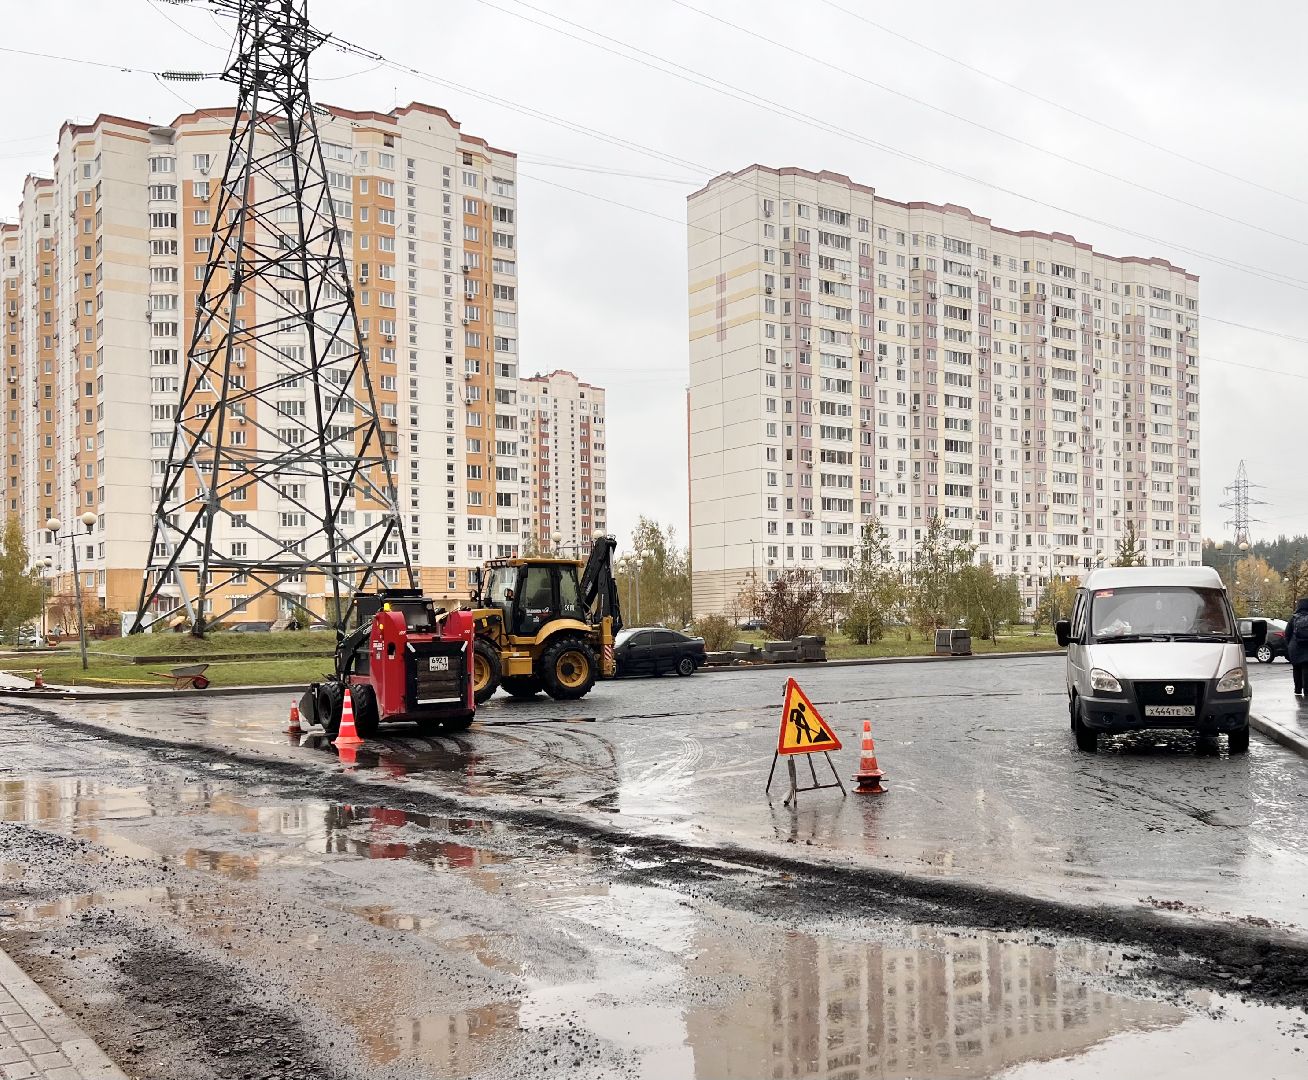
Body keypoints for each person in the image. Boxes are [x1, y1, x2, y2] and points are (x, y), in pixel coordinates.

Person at [1288, 597, 1308, 698]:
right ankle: (1307, 690)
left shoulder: (1294, 618)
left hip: (1295, 647)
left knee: (1296, 668)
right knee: (1306, 668)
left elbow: (1287, 633)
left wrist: (1289, 644)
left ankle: (1297, 689)